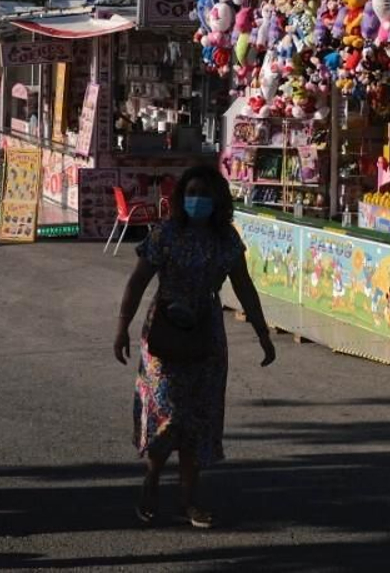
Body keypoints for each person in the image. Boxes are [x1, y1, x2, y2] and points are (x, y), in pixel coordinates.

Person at [114, 164, 275, 528]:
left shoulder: (226, 240)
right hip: (164, 334)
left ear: (217, 199)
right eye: (191, 193)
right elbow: (137, 282)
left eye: (204, 194)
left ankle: (190, 500)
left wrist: (263, 334)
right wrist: (121, 328)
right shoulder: (165, 235)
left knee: (198, 421)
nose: (196, 200)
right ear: (180, 197)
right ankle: (152, 481)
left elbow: (244, 287)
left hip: (206, 335)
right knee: (165, 415)